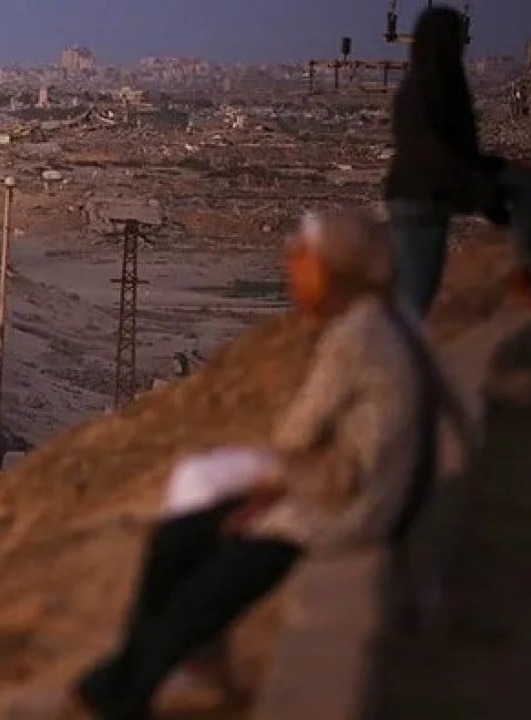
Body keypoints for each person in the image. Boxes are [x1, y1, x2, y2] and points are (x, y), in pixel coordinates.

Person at [75, 209, 477, 719]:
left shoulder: (355, 337)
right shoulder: (390, 320)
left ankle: (117, 692)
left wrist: (264, 491)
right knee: (180, 542)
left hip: (345, 506)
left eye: (304, 261)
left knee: (203, 583)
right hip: (355, 489)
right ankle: (118, 685)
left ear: (337, 268)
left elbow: (296, 434)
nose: (293, 271)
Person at [385, 4, 531, 315]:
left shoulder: (442, 84)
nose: (463, 46)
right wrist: (482, 191)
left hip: (430, 193)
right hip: (420, 200)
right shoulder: (425, 89)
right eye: (457, 38)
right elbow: (432, 155)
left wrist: (488, 180)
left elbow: (457, 152)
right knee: (413, 301)